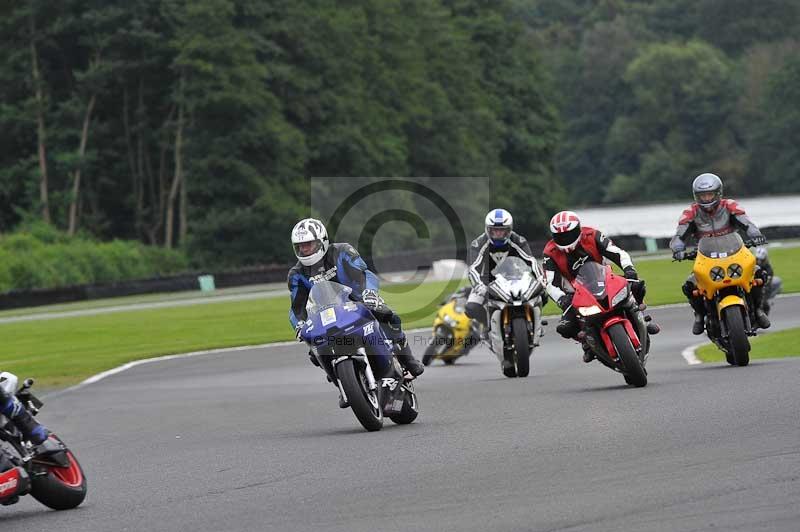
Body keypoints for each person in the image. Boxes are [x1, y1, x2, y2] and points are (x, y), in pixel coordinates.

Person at [288, 218, 423, 406]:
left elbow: (366, 273)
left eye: (308, 245)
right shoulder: (296, 274)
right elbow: (296, 307)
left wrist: (369, 293)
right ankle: (344, 384)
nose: (304, 250)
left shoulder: (342, 251)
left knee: (387, 316)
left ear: (321, 241)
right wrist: (299, 325)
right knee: (313, 348)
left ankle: (408, 360)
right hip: (325, 315)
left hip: (359, 301)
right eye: (300, 246)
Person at [543, 210, 660, 363]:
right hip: (575, 291)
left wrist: (629, 270)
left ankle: (641, 316)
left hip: (605, 278)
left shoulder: (592, 235)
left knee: (637, 285)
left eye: (569, 234)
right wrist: (562, 299)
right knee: (565, 327)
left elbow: (618, 253)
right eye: (560, 236)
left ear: (578, 230)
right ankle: (586, 342)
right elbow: (549, 283)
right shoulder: (550, 252)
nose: (565, 239)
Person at [670, 173, 770, 334]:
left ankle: (758, 310)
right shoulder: (690, 212)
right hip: (705, 257)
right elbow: (679, 235)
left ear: (718, 193)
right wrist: (678, 249)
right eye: (702, 195)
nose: (707, 199)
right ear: (696, 196)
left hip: (734, 252)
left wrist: (755, 234)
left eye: (710, 194)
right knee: (690, 285)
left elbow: (747, 223)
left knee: (759, 274)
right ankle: (700, 316)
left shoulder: (730, 205)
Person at [465, 208, 541, 373]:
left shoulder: (518, 240)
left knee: (542, 294)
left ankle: (536, 325)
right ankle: (486, 330)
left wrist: (541, 279)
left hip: (514, 275)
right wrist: (479, 286)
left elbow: (531, 261)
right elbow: (473, 269)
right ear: (488, 229)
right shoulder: (478, 243)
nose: (498, 234)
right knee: (471, 307)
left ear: (509, 229)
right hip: (487, 280)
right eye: (494, 230)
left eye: (502, 230)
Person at [754, 246, 781, 315]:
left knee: (765, 305)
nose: (759, 262)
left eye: (761, 260)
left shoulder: (768, 268)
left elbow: (767, 282)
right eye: (757, 259)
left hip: (762, 288)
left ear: (765, 259)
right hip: (751, 286)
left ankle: (763, 320)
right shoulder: (751, 265)